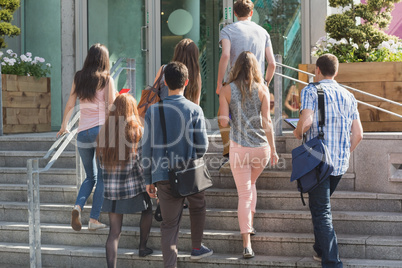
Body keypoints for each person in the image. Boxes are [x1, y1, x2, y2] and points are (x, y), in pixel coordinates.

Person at [293, 53, 363, 267]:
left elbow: (306, 122)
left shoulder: (311, 90)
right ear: (336, 71)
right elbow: (359, 134)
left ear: (317, 70)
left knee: (322, 210)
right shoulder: (348, 95)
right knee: (318, 205)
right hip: (339, 163)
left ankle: (333, 262)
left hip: (318, 162)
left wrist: (297, 132)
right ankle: (319, 249)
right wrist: (343, 152)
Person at [143, 62, 212, 268]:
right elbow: (203, 146)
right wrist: (190, 158)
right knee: (198, 206)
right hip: (190, 174)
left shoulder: (153, 111)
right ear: (187, 82)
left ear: (164, 82)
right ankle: (197, 247)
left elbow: (145, 149)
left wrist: (149, 179)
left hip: (162, 175)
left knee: (169, 226)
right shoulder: (194, 109)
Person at [219, 51, 279, 259]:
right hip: (260, 149)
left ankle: (247, 245)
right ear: (255, 68)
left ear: (236, 67)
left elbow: (224, 122)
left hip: (239, 148)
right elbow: (267, 122)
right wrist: (273, 149)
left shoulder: (226, 90)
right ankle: (250, 224)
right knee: (250, 185)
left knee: (244, 194)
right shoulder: (263, 89)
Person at [57, 43, 117, 231]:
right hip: (100, 132)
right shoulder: (106, 79)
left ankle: (77, 207)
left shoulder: (79, 77)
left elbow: (70, 104)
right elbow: (111, 107)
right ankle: (94, 219)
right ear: (105, 60)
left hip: (82, 133)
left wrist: (64, 125)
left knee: (89, 177)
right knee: (103, 177)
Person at [216, 0, 276, 173]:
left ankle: (231, 152)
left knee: (225, 117)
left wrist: (220, 82)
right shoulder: (263, 32)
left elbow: (226, 55)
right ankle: (259, 150)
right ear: (251, 13)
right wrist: (265, 82)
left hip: (234, 83)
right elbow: (272, 63)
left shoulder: (228, 30)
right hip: (257, 83)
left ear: (235, 13)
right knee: (259, 117)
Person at [96, 94, 153, 267]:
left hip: (112, 190)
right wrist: (149, 182)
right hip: (133, 186)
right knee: (148, 210)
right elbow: (143, 162)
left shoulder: (104, 133)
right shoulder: (138, 131)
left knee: (114, 232)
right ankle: (142, 247)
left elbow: (100, 161)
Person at [153, 38, 202, 105]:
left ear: (177, 53)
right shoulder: (196, 75)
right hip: (185, 113)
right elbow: (196, 101)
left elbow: (153, 94)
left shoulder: (164, 69)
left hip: (163, 112)